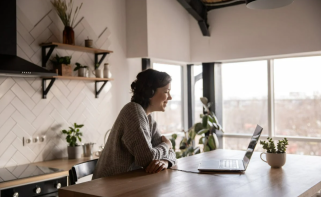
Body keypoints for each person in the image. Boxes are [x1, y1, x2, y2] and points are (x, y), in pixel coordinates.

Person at [92, 69, 177, 179]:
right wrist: (167, 145)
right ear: (150, 92)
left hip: (125, 184)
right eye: (166, 92)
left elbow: (170, 153)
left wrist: (165, 161)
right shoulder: (133, 111)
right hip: (106, 188)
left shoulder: (149, 118)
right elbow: (147, 159)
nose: (170, 97)